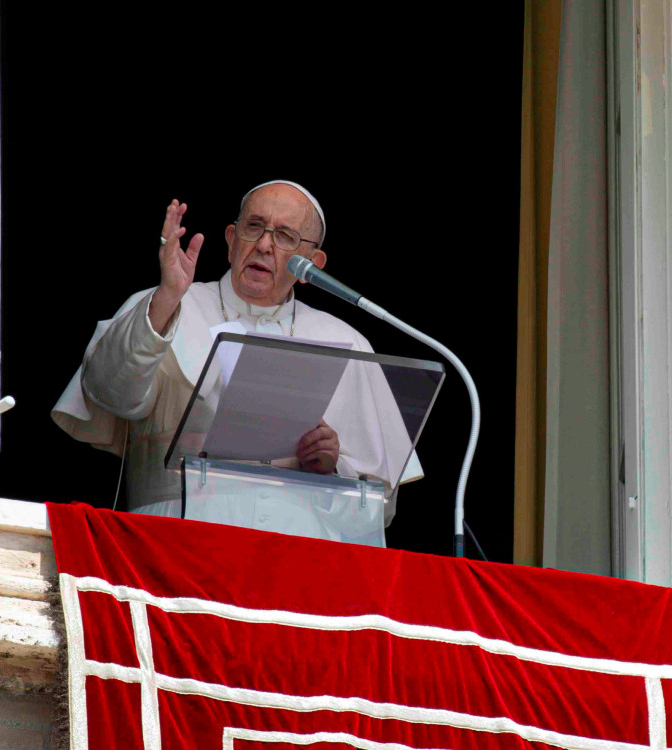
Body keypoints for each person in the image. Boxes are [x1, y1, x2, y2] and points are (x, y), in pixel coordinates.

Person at [51, 180, 420, 546]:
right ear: (231, 238)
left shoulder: (347, 342)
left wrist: (331, 468)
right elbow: (108, 392)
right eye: (254, 226)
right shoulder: (164, 304)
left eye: (286, 236)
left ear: (313, 263)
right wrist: (167, 298)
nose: (263, 244)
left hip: (299, 559)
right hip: (172, 544)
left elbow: (378, 513)